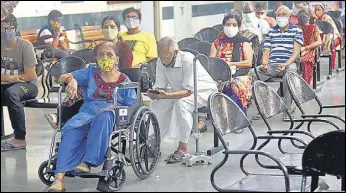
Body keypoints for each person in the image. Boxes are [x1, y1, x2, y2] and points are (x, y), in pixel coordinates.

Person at [47, 42, 137, 192]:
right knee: (71, 130)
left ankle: (87, 162)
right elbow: (61, 78)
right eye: (101, 55)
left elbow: (131, 105)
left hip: (109, 115)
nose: (105, 58)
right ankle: (59, 179)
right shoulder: (90, 72)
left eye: (109, 55)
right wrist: (72, 80)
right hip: (87, 113)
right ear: (96, 58)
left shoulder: (124, 81)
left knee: (105, 116)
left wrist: (115, 107)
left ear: (117, 59)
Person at [148, 37, 217, 164]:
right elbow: (161, 85)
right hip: (180, 90)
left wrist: (167, 96)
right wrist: (155, 92)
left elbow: (188, 91)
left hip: (203, 91)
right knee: (157, 103)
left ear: (175, 53)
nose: (163, 61)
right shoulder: (160, 61)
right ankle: (154, 142)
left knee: (182, 104)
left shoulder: (188, 59)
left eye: (166, 57)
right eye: (161, 57)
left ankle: (183, 148)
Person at [249, 5, 303, 121]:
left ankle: (287, 110)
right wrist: (264, 63)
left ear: (289, 16)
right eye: (279, 15)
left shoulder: (297, 30)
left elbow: (296, 53)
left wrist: (285, 64)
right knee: (252, 73)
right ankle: (265, 105)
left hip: (289, 64)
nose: (281, 17)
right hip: (273, 64)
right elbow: (267, 49)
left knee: (290, 74)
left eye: (284, 14)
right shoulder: (271, 31)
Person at [1, 14, 38, 151]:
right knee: (10, 90)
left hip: (28, 86)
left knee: (12, 92)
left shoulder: (25, 45)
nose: (5, 32)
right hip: (7, 83)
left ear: (15, 28)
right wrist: (9, 78)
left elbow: (30, 75)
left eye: (9, 28)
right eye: (1, 29)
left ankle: (20, 138)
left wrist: (6, 78)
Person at [210, 14, 253, 114]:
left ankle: (237, 116)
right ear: (223, 26)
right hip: (220, 74)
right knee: (208, 86)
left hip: (240, 74)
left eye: (234, 25)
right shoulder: (217, 43)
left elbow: (248, 63)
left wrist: (230, 64)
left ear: (239, 27)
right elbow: (211, 62)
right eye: (228, 24)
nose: (231, 27)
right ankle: (217, 117)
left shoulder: (244, 43)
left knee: (234, 85)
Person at [298, 9, 322, 85]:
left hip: (311, 49)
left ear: (308, 17)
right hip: (297, 49)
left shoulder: (314, 27)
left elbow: (319, 42)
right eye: (300, 17)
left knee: (305, 61)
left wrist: (306, 48)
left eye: (304, 16)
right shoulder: (296, 28)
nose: (302, 18)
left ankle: (305, 85)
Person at [314, 3, 341, 70]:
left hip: (334, 37)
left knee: (331, 44)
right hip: (323, 37)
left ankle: (332, 67)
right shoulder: (316, 19)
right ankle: (314, 65)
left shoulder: (327, 18)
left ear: (323, 10)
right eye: (315, 10)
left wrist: (325, 43)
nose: (317, 12)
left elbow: (329, 33)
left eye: (318, 10)